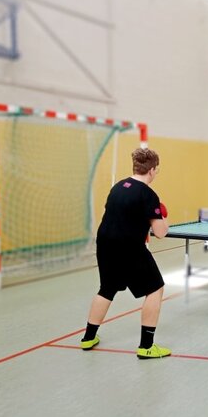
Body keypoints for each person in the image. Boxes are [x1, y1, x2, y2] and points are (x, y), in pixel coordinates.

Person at [80, 147, 171, 360]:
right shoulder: (148, 194)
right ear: (152, 170)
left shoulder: (118, 187)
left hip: (104, 244)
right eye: (156, 170)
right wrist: (164, 216)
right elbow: (160, 233)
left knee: (107, 288)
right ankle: (146, 346)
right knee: (155, 288)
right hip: (129, 247)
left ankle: (88, 337)